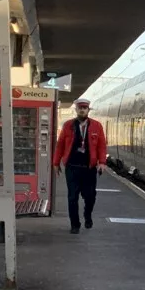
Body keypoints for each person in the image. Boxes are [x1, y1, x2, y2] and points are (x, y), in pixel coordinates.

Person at [52, 98, 108, 234]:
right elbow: (60, 145)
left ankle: (87, 215)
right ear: (76, 109)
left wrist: (102, 162)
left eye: (85, 108)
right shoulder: (68, 125)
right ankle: (75, 225)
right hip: (72, 167)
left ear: (88, 110)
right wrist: (56, 162)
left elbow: (101, 145)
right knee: (72, 197)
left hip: (89, 168)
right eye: (80, 108)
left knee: (90, 197)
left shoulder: (97, 126)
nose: (82, 110)